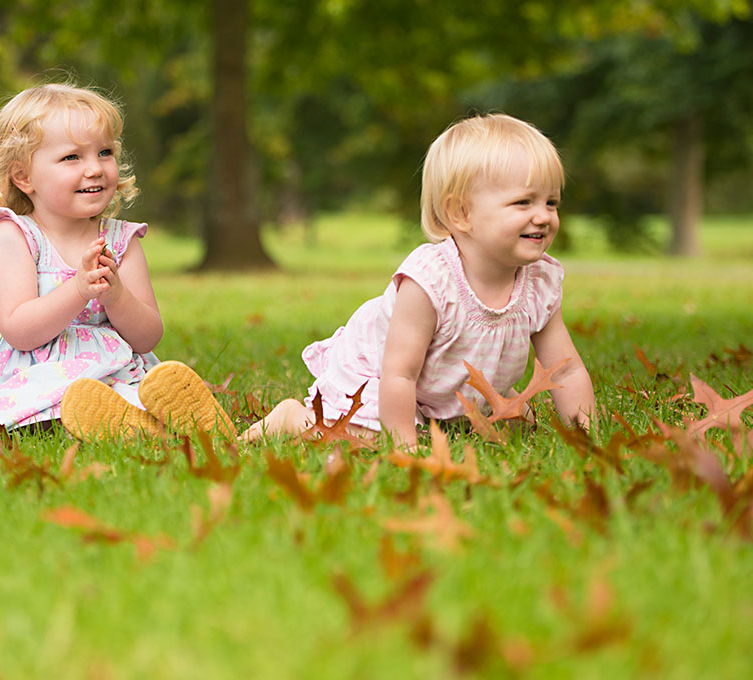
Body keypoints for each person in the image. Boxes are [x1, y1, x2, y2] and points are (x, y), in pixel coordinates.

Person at [241, 113, 595, 448]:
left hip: (441, 394)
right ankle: (293, 419)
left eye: (551, 202)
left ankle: (451, 418)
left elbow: (566, 370)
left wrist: (589, 435)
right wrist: (404, 448)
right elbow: (400, 375)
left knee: (507, 427)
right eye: (523, 202)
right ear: (461, 213)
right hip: (380, 379)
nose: (543, 216)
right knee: (368, 436)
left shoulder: (540, 281)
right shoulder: (431, 281)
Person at [0, 82, 233, 439]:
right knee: (51, 403)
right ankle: (119, 422)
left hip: (111, 373)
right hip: (29, 374)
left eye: (105, 152)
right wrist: (78, 290)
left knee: (127, 395)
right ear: (23, 176)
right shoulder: (13, 236)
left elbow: (147, 337)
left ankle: (148, 420)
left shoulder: (121, 240)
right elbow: (20, 331)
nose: (95, 168)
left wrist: (116, 297)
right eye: (72, 157)